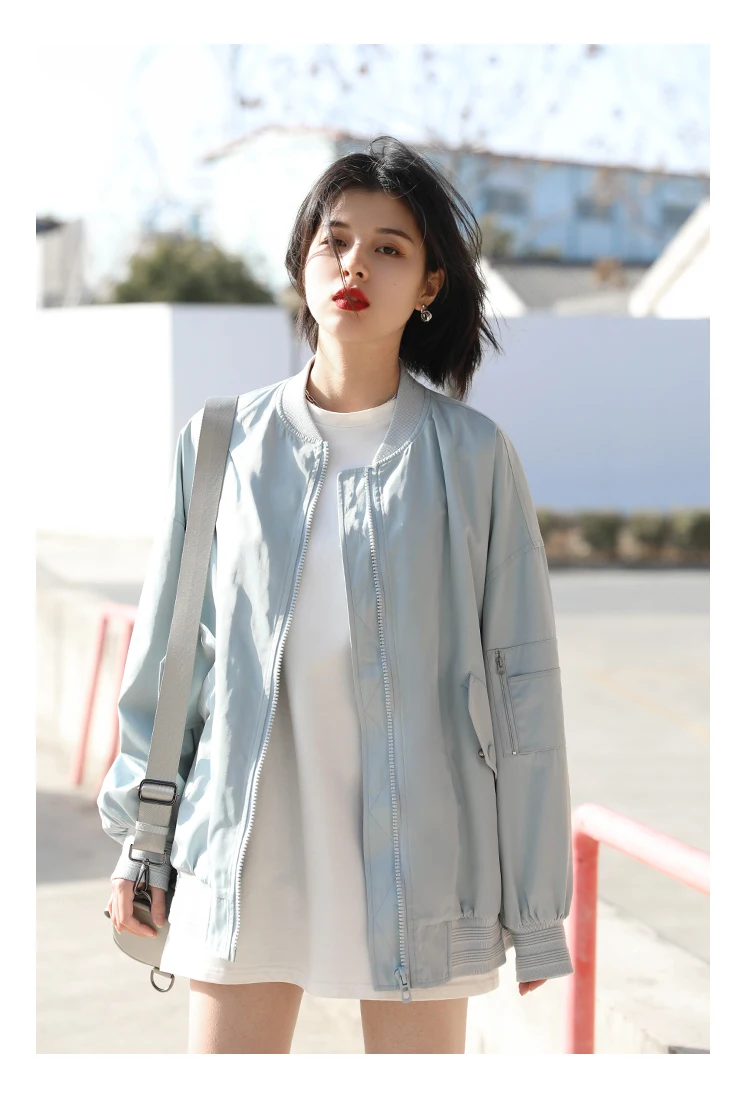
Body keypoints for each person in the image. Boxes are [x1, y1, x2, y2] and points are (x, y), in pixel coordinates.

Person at [98, 134, 574, 1054]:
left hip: (425, 863)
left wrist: (534, 908)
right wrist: (140, 837)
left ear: (429, 285)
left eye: (389, 248)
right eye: (336, 240)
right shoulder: (219, 443)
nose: (355, 264)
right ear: (303, 264)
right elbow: (170, 659)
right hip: (241, 848)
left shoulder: (474, 458)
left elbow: (523, 692)